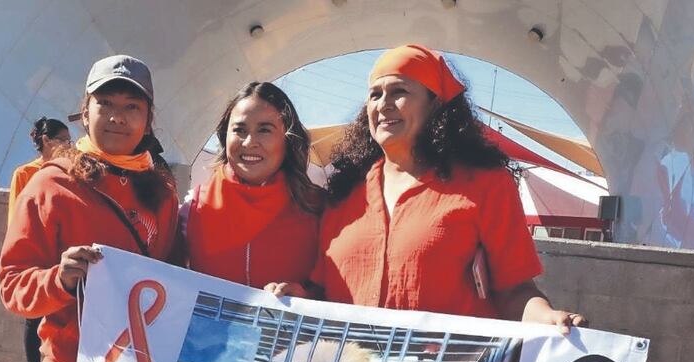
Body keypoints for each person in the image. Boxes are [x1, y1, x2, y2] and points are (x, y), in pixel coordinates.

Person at [0, 54, 179, 362]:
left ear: (149, 118)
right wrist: (58, 279)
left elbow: (170, 277)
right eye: (106, 103)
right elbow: (13, 284)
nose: (118, 117)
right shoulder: (49, 184)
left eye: (131, 106)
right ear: (85, 110)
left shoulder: (160, 191)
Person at [271, 46, 585, 331]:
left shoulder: (486, 185)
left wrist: (548, 317)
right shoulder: (344, 191)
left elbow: (515, 291)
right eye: (375, 94)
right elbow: (325, 291)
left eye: (399, 91)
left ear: (436, 104)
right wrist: (300, 296)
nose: (384, 104)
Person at [180, 82, 321, 288]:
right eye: (239, 130)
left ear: (288, 139)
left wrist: (305, 294)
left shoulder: (319, 209)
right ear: (225, 136)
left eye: (264, 130)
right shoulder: (192, 208)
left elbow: (335, 287)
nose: (248, 142)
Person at [8, 117, 70, 362]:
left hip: (62, 257)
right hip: (37, 255)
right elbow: (16, 217)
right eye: (63, 140)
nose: (68, 145)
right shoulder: (26, 173)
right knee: (33, 319)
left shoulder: (70, 170)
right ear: (46, 141)